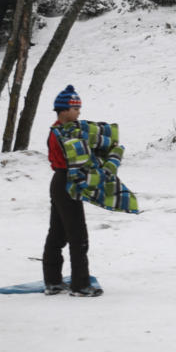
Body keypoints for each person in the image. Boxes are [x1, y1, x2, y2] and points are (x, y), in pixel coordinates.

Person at [43, 85, 140, 297]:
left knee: (57, 234)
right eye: (75, 108)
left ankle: (52, 281)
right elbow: (80, 158)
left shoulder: (59, 130)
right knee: (78, 236)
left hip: (59, 182)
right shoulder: (64, 132)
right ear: (64, 110)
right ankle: (80, 285)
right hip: (67, 183)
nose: (78, 112)